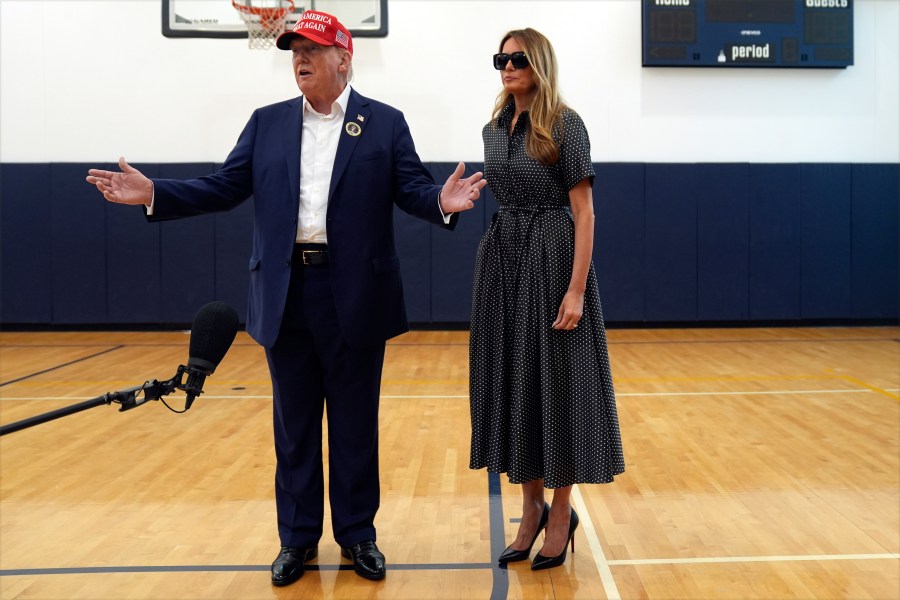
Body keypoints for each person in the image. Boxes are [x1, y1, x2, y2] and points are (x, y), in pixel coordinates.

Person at [87, 10, 486, 586]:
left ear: (344, 59)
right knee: (294, 427)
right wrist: (156, 193)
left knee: (354, 425)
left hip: (355, 294)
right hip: (286, 291)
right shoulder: (267, 123)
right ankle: (296, 540)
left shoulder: (385, 124)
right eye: (295, 50)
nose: (300, 59)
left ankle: (357, 536)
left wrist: (442, 204)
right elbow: (223, 185)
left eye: (313, 50)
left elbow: (413, 189)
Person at [468, 28, 625, 571]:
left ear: (538, 63)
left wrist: (577, 289)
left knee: (556, 385)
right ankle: (529, 506)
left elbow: (584, 212)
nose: (507, 67)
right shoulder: (494, 127)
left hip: (553, 257)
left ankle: (562, 511)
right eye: (500, 60)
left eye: (516, 59)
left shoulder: (565, 123)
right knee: (516, 382)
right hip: (505, 259)